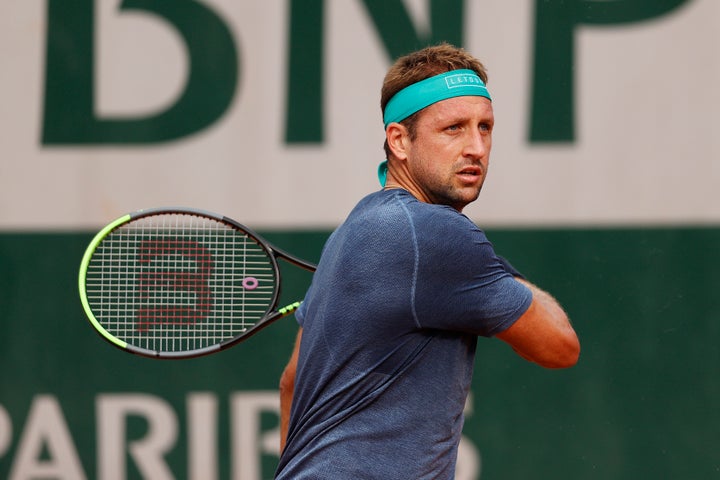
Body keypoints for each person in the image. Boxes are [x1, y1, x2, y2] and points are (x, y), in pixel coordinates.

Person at [275, 43, 580, 479]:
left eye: (485, 127)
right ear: (399, 140)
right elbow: (559, 346)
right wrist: (489, 269)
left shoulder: (351, 231)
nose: (476, 146)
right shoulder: (435, 234)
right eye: (453, 128)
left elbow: (291, 383)